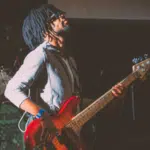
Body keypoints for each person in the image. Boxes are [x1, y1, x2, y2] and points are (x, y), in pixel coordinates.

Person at [4, 4, 125, 150]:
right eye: (53, 17)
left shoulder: (69, 59)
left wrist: (109, 98)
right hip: (48, 139)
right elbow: (11, 90)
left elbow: (73, 102)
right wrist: (43, 116)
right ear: (44, 30)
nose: (61, 16)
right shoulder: (41, 54)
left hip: (70, 137)